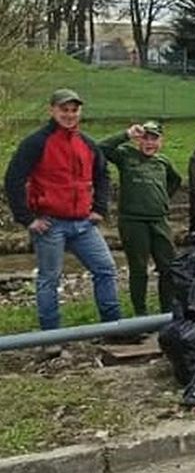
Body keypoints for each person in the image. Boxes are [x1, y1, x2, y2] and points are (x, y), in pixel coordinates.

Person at [3, 89, 122, 330]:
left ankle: (114, 328)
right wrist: (27, 219)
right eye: (64, 110)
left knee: (106, 269)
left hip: (83, 223)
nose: (69, 115)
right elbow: (13, 179)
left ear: (80, 112)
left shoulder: (86, 143)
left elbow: (102, 174)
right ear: (52, 110)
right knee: (49, 279)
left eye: (74, 110)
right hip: (49, 223)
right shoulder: (36, 142)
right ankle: (51, 337)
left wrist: (99, 208)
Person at [98, 121, 182, 316]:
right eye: (146, 138)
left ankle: (167, 312)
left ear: (161, 141)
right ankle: (140, 314)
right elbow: (101, 148)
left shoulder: (163, 162)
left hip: (159, 220)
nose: (149, 143)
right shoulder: (126, 155)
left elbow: (175, 180)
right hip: (133, 221)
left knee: (168, 267)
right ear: (139, 140)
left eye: (154, 139)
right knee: (139, 269)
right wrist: (126, 134)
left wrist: (162, 200)